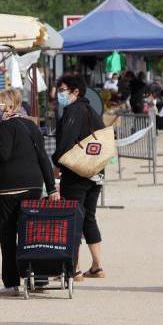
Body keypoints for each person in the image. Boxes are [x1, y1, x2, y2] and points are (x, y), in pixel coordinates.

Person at [0, 89, 58, 293]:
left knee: (8, 234)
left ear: (9, 106)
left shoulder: (5, 126)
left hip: (9, 187)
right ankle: (38, 278)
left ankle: (12, 282)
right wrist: (52, 187)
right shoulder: (31, 125)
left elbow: (2, 154)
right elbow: (43, 158)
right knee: (32, 233)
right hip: (33, 185)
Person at [52, 74, 106, 278]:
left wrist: (56, 162)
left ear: (75, 91)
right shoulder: (92, 110)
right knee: (89, 217)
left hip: (77, 174)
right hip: (96, 173)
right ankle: (97, 265)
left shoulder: (72, 111)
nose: (59, 93)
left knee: (73, 218)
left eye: (62, 89)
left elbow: (66, 142)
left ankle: (73, 268)